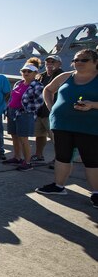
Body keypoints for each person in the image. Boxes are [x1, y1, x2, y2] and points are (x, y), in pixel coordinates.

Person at [35, 49, 98, 206]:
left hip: (89, 127)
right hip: (62, 124)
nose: (78, 63)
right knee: (62, 157)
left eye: (84, 60)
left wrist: (93, 105)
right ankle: (58, 186)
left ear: (95, 62)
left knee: (91, 161)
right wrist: (52, 107)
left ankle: (96, 193)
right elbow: (48, 90)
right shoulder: (65, 76)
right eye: (76, 60)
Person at [3, 61, 44, 171]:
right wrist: (8, 108)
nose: (26, 73)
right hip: (12, 112)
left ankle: (28, 162)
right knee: (14, 136)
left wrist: (25, 110)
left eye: (29, 71)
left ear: (35, 73)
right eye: (24, 71)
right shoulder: (18, 83)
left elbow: (39, 102)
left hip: (24, 114)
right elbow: (12, 98)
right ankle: (17, 157)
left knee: (23, 139)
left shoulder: (38, 85)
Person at [32, 55, 64, 162]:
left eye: (52, 62)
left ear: (59, 64)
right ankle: (38, 155)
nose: (49, 65)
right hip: (39, 111)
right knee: (39, 135)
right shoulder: (40, 76)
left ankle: (59, 159)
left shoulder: (62, 76)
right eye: (47, 63)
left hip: (52, 111)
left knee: (56, 138)